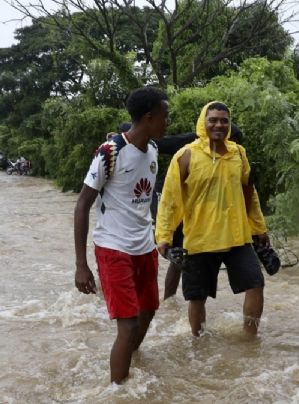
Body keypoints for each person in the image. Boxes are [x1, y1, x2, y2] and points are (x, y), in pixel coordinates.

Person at [73, 86, 169, 384]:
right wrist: (81, 264)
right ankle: (117, 391)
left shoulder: (152, 150)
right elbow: (82, 205)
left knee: (149, 310)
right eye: (166, 117)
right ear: (149, 117)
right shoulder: (109, 153)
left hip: (144, 247)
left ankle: (128, 357)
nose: (169, 122)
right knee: (126, 326)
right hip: (113, 248)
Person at [155, 101, 269, 337]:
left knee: (256, 283)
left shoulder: (238, 153)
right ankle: (199, 342)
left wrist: (259, 228)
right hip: (200, 239)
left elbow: (250, 192)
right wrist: (164, 237)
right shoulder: (186, 156)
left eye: (224, 120)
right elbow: (170, 200)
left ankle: (250, 339)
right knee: (197, 297)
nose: (219, 124)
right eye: (213, 120)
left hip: (236, 236)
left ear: (229, 124)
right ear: (202, 123)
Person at [152, 125, 244, 300]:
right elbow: (163, 143)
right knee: (178, 250)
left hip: (197, 207)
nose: (227, 146)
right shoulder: (192, 146)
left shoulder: (232, 156)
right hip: (170, 198)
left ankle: (182, 298)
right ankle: (169, 300)